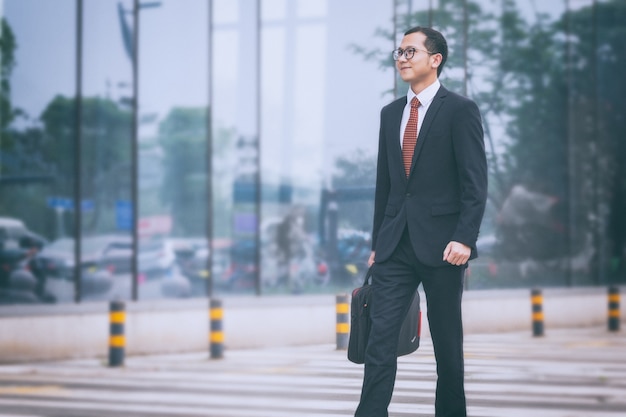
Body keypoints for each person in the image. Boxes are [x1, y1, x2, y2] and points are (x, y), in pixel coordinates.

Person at [355, 26, 487, 417]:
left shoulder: (460, 110)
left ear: (435, 59)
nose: (402, 58)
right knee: (379, 341)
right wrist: (378, 243)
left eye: (410, 51)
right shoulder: (390, 113)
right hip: (395, 245)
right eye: (399, 51)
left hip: (445, 247)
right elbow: (387, 184)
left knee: (447, 346)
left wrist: (465, 238)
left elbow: (474, 182)